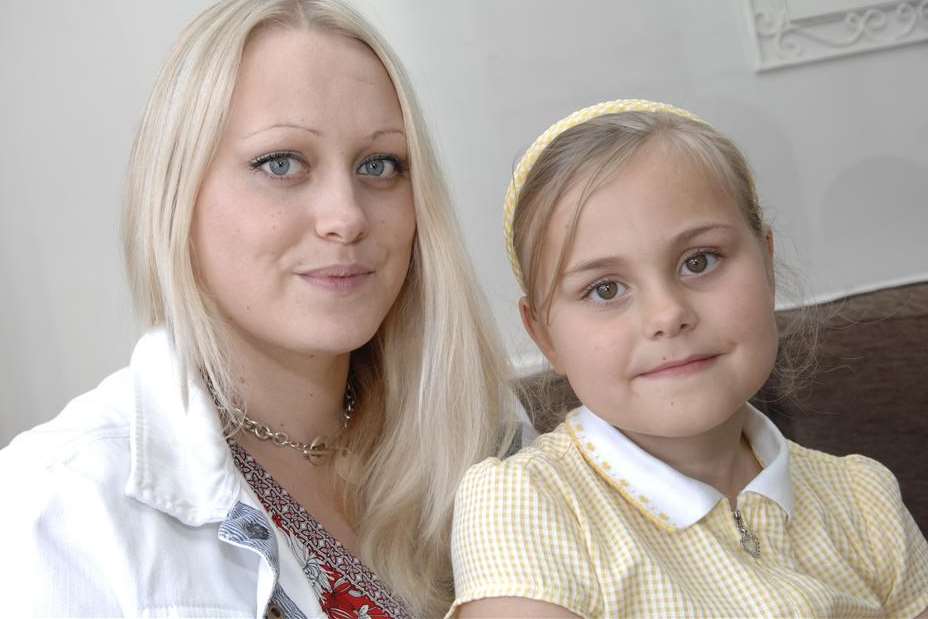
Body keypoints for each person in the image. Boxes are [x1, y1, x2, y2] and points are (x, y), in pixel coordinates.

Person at [0, 1, 515, 617]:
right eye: (281, 163)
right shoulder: (59, 505)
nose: (346, 216)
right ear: (178, 196)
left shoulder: (485, 438)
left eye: (379, 166)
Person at [448, 99, 928, 618]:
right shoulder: (528, 502)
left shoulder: (863, 498)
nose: (667, 314)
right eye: (605, 289)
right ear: (544, 336)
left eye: (699, 261)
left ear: (766, 265)